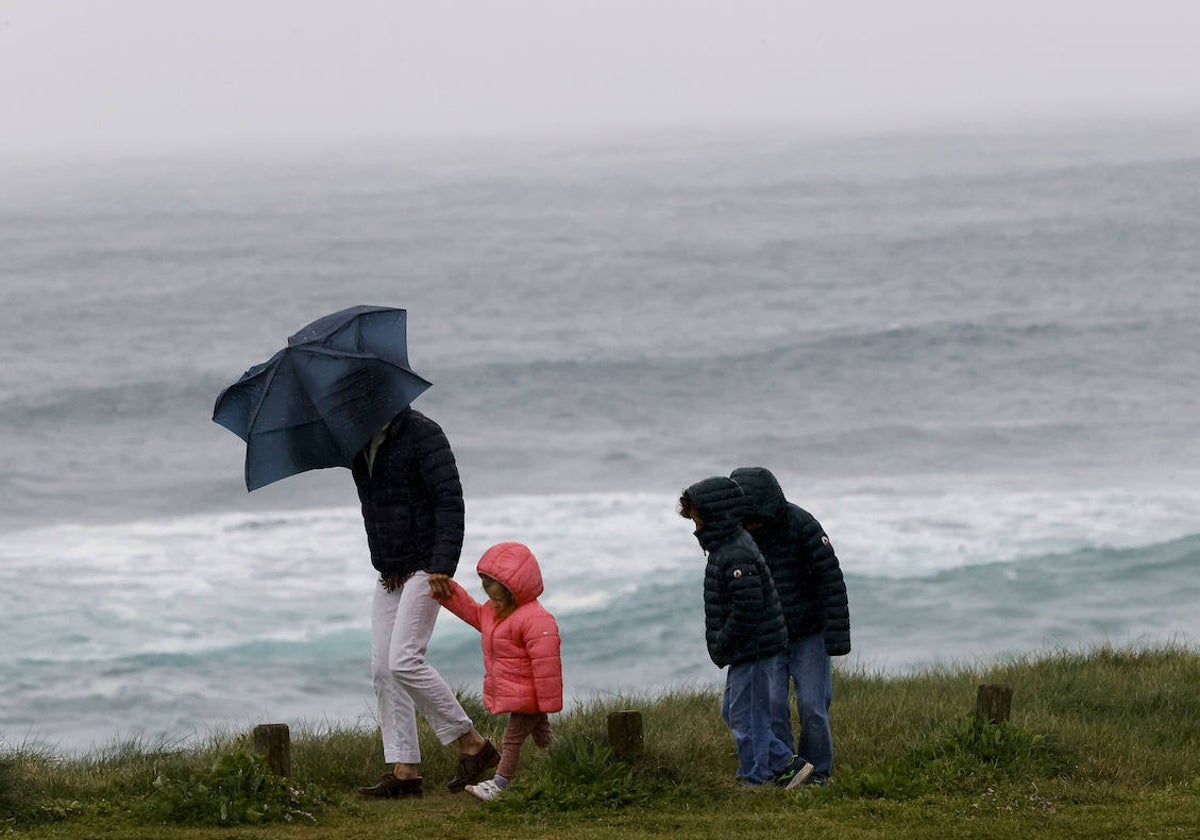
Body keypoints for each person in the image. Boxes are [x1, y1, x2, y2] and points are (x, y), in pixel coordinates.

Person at [353, 407, 499, 800]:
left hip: (425, 566)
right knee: (383, 669)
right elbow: (381, 504)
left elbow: (449, 501)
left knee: (404, 659)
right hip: (391, 570)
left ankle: (473, 744)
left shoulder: (422, 433)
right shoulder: (357, 440)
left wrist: (442, 565)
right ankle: (405, 771)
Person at [678, 476, 813, 787]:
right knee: (734, 712)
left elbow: (748, 606)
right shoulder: (726, 548)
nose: (695, 529)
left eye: (697, 520)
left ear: (716, 516)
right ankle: (786, 763)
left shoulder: (735, 553)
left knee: (745, 716)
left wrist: (726, 641)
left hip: (754, 649)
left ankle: (754, 778)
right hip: (750, 649)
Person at [730, 467, 851, 785]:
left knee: (813, 705)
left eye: (755, 518)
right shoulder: (737, 535)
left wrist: (836, 637)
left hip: (810, 633)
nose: (752, 525)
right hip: (770, 639)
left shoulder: (802, 524)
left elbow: (830, 579)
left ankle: (819, 771)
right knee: (772, 706)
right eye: (746, 519)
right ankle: (785, 771)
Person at [432, 541, 563, 802]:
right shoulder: (495, 612)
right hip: (524, 696)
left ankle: (499, 785)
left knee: (511, 740)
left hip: (530, 698)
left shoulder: (536, 618)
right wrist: (448, 593)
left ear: (514, 585)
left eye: (492, 584)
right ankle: (567, 765)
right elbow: (473, 613)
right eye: (484, 582)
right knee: (544, 738)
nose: (486, 589)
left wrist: (546, 702)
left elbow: (547, 663)